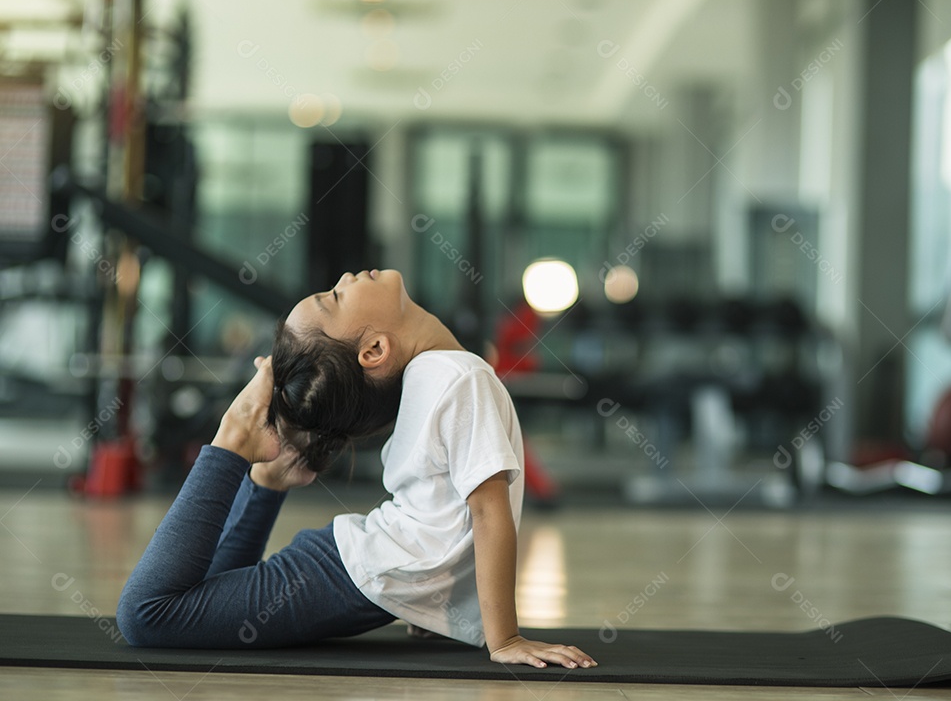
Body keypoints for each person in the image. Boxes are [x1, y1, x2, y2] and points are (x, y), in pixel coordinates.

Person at [116, 269, 596, 670]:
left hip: (359, 569)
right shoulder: (458, 376)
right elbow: (487, 514)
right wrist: (505, 639)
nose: (346, 277)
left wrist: (436, 607)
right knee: (148, 615)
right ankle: (235, 440)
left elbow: (457, 512)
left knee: (197, 607)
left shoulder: (441, 374)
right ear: (373, 351)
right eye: (335, 297)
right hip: (349, 572)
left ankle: (266, 480)